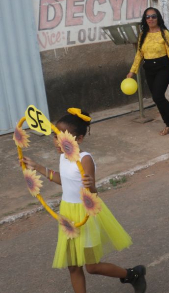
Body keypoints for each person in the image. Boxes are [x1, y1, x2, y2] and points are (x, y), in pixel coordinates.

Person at [23, 110, 147, 293]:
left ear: (79, 139)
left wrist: (92, 187)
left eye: (62, 138)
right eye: (55, 136)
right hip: (67, 213)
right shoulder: (62, 157)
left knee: (92, 267)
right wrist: (38, 167)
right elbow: (63, 181)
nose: (57, 142)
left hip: (84, 213)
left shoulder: (85, 159)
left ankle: (131, 274)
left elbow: (92, 193)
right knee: (73, 266)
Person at [127, 7, 169, 136]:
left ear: (158, 18)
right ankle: (168, 124)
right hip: (149, 69)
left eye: (153, 16)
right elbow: (139, 55)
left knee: (158, 96)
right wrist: (132, 71)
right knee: (157, 98)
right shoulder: (143, 35)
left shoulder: (164, 33)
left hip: (163, 67)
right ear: (145, 20)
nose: (150, 19)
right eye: (148, 17)